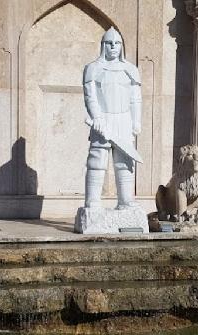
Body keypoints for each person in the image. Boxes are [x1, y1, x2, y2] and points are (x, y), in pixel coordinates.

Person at [82, 27, 142, 209]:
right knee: (97, 160)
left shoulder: (130, 69)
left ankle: (125, 200)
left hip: (124, 120)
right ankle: (92, 201)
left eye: (117, 43)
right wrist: (97, 117)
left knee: (125, 162)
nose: (113, 46)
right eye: (109, 43)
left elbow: (135, 98)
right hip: (102, 119)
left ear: (121, 46)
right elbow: (90, 96)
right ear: (103, 45)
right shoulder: (93, 68)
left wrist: (136, 121)